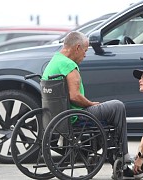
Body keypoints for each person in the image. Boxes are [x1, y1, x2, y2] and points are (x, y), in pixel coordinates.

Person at [42, 31, 135, 178]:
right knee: (117, 106)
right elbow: (75, 96)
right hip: (74, 117)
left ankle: (105, 154)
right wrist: (90, 103)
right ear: (77, 48)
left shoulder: (55, 61)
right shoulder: (68, 65)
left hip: (57, 116)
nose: (85, 55)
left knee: (106, 116)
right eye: (85, 51)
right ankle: (123, 157)